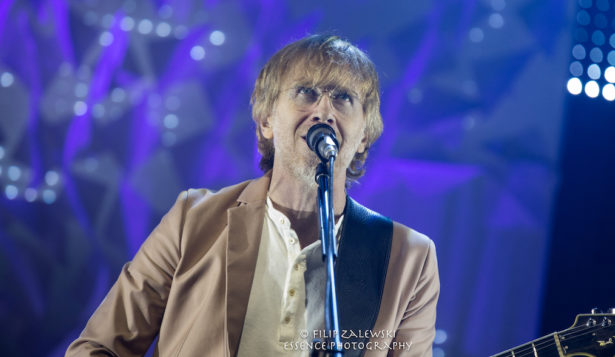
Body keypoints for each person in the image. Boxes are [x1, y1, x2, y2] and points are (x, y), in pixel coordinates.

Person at [66, 34, 440, 356]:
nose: (323, 110)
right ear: (266, 121)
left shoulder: (408, 257)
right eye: (305, 93)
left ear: (363, 138)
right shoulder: (193, 219)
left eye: (343, 98)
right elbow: (98, 348)